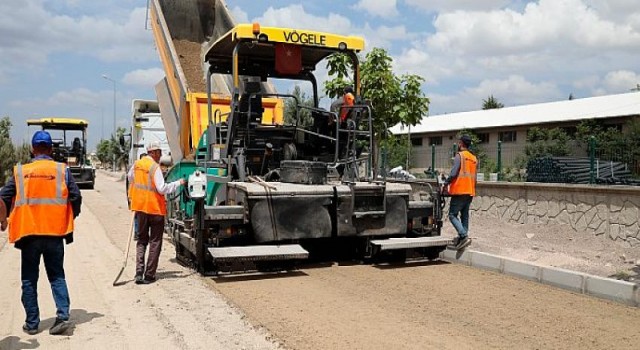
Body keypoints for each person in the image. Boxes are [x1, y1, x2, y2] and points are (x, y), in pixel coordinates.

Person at [0, 130, 82, 335]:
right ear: (51, 149)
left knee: (29, 279)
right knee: (57, 276)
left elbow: (3, 197)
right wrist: (70, 216)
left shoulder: (21, 171)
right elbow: (76, 197)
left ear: (32, 149)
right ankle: (62, 316)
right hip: (55, 232)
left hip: (29, 233)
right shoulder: (62, 170)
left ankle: (32, 323)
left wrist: (4, 219)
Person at [128, 142, 184, 284]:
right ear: (153, 152)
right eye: (159, 152)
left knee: (141, 240)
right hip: (155, 209)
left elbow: (130, 178)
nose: (160, 156)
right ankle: (149, 275)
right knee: (155, 242)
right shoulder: (155, 167)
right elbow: (162, 188)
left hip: (140, 208)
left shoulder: (137, 165)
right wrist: (179, 183)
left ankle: (139, 273)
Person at [445, 135, 478, 250]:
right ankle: (463, 237)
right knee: (464, 215)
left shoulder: (460, 156)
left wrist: (446, 182)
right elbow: (475, 177)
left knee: (452, 215)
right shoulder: (474, 158)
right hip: (470, 191)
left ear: (461, 143)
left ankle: (463, 236)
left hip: (460, 190)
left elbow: (454, 173)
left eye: (459, 143)